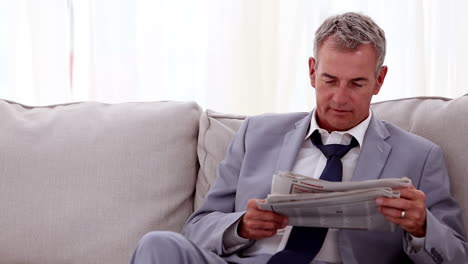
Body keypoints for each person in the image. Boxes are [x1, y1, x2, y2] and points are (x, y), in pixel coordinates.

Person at [130, 12, 467, 264]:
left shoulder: (420, 156)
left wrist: (422, 226)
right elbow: (198, 227)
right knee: (158, 244)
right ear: (311, 71)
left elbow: (457, 254)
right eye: (330, 80)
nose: (339, 98)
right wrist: (242, 226)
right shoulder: (256, 134)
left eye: (357, 84)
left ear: (379, 81)